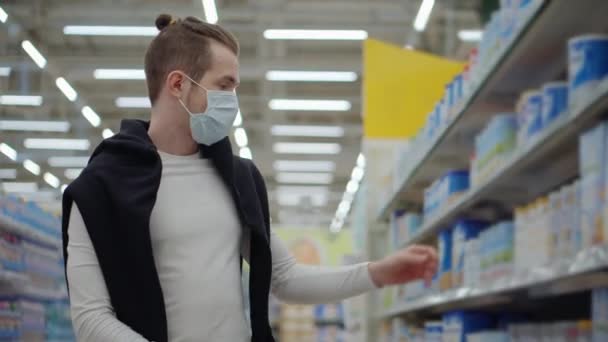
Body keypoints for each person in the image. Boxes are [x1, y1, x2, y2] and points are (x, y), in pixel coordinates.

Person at [62, 14, 438, 342]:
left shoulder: (237, 178)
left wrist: (378, 273)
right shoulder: (101, 189)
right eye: (224, 85)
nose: (233, 100)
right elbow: (91, 318)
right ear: (178, 84)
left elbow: (286, 278)